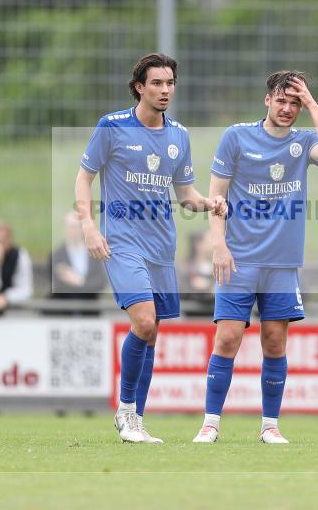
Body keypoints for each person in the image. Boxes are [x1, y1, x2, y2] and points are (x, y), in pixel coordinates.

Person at [75, 53, 224, 444]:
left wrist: (210, 203)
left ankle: (136, 421)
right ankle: (125, 411)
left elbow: (185, 194)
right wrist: (88, 225)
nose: (165, 90)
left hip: (162, 247)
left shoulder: (179, 136)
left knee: (152, 331)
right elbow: (84, 178)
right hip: (122, 242)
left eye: (170, 83)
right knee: (143, 322)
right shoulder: (112, 126)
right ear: (139, 87)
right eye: (157, 83)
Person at [193, 70, 318, 445]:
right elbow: (216, 197)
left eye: (294, 103)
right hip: (239, 260)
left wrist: (312, 102)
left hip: (281, 264)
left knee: (275, 342)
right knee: (227, 339)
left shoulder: (303, 142)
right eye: (281, 100)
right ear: (267, 100)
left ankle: (269, 426)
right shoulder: (236, 137)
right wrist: (219, 245)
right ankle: (210, 424)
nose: (287, 108)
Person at [50, 211, 107, 299]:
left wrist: (80, 282)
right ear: (64, 228)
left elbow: (101, 282)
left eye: (76, 226)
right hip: (64, 304)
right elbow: (56, 285)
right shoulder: (57, 254)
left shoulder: (93, 252)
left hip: (90, 304)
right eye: (70, 227)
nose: (73, 231)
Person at [181, 230, 215, 304]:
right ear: (198, 244)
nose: (213, 243)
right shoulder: (187, 267)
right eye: (209, 240)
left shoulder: (214, 266)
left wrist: (208, 285)